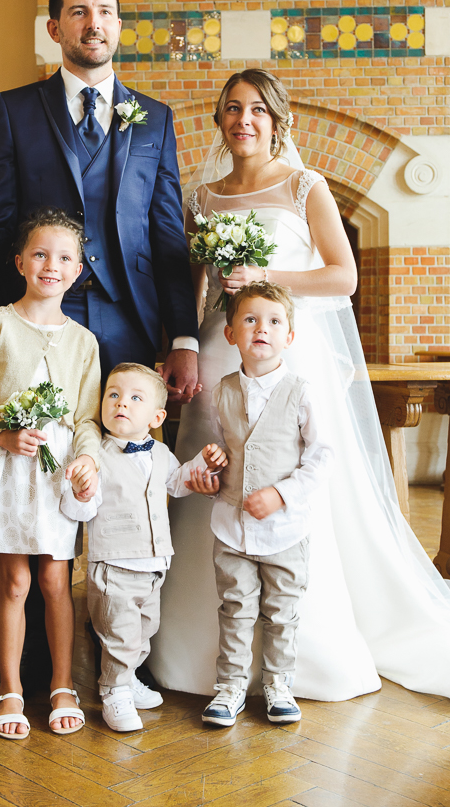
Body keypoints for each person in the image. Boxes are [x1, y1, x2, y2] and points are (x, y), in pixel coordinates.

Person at [150, 68, 450, 701]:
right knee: (214, 477)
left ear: (277, 119)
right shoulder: (202, 197)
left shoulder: (305, 186)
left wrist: (269, 274)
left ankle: (295, 655)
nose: (244, 119)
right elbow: (197, 287)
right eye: (232, 108)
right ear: (221, 120)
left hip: (288, 354)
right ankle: (197, 648)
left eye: (257, 109)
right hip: (218, 352)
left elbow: (342, 277)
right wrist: (186, 347)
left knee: (290, 471)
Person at [0, 0, 200, 690]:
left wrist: (181, 337)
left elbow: (165, 236)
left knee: (125, 479)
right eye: (78, 12)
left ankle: (127, 655)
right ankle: (33, 667)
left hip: (127, 323)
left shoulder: (153, 118)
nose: (95, 23)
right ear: (55, 28)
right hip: (36, 326)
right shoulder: (15, 109)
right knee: (36, 475)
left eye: (107, 12)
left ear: (118, 27)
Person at [0, 210, 102, 738]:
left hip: (56, 474)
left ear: (78, 270)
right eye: (40, 254)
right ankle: (9, 688)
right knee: (14, 580)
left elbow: (85, 418)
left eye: (63, 258)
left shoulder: (84, 341)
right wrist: (0, 433)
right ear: (19, 263)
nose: (50, 266)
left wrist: (87, 459)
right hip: (9, 465)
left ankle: (62, 683)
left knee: (57, 579)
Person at [61, 362, 226, 732]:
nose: (121, 403)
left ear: (156, 417)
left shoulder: (160, 454)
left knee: (144, 630)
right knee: (118, 633)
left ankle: (129, 678)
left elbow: (178, 482)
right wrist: (81, 491)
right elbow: (77, 509)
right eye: (114, 395)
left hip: (154, 564)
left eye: (135, 398)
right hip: (113, 564)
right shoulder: (95, 456)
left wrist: (202, 464)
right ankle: (113, 691)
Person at [202, 282, 333, 727]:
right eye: (251, 320)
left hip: (286, 529)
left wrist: (281, 494)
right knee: (235, 607)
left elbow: (322, 457)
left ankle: (279, 683)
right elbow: (223, 448)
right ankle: (231, 684)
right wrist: (213, 465)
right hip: (232, 526)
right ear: (231, 333)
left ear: (289, 337)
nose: (263, 329)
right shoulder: (221, 392)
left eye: (275, 321)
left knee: (282, 611)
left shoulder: (302, 391)